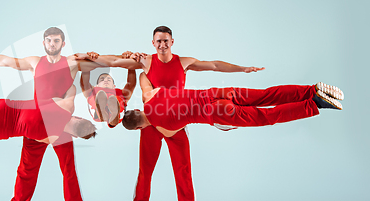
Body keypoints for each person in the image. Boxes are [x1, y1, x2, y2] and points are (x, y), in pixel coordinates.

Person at [84, 25, 265, 201]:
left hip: (176, 124)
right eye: (158, 41)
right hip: (150, 123)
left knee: (183, 167)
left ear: (172, 42)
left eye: (166, 40)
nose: (162, 44)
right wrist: (89, 56)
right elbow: (115, 61)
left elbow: (213, 65)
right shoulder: (146, 61)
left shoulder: (183, 62)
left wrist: (242, 69)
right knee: (146, 168)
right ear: (153, 43)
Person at [0, 27, 99, 201]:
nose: (52, 44)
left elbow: (101, 61)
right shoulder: (35, 62)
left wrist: (93, 56)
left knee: (68, 169)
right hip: (35, 124)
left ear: (63, 44)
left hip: (62, 125)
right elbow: (6, 61)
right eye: (49, 40)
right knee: (26, 169)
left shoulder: (71, 63)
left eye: (56, 41)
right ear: (44, 43)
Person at [121, 73, 344, 135]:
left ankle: (314, 104)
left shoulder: (163, 129)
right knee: (266, 95)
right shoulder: (150, 96)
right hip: (216, 92)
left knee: (266, 116)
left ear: (140, 127)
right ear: (138, 109)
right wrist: (133, 69)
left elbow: (181, 124)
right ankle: (311, 90)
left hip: (217, 113)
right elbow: (143, 76)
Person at [80, 62, 136, 127]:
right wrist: (86, 67)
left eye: (109, 80)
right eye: (102, 79)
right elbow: (84, 83)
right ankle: (101, 111)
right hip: (97, 112)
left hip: (117, 108)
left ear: (113, 86)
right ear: (97, 85)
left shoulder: (120, 93)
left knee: (118, 98)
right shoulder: (93, 91)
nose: (106, 80)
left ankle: (114, 116)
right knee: (94, 96)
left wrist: (131, 66)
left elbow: (131, 84)